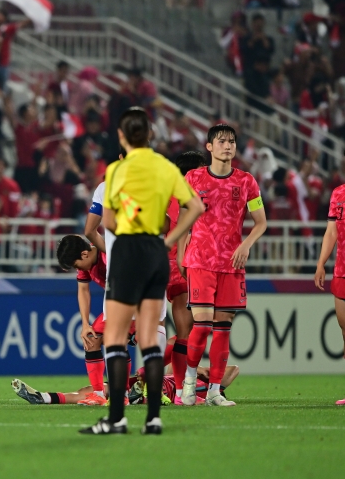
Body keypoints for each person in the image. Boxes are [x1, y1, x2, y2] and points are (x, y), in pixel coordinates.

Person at [80, 107, 204, 436]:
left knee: (118, 339)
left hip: (126, 253)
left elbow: (107, 221)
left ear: (122, 136)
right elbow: (195, 207)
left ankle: (117, 418)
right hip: (155, 252)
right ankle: (153, 418)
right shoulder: (165, 168)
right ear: (149, 135)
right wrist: (171, 240)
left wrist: (129, 221)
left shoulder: (118, 170)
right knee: (151, 339)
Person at [180, 125, 267, 407]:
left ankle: (214, 391)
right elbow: (184, 219)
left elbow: (261, 222)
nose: (227, 146)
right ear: (209, 147)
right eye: (221, 141)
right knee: (202, 326)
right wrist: (182, 255)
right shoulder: (192, 178)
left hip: (231, 263)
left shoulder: (246, 181)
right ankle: (190, 383)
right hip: (200, 260)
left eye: (231, 141)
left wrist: (246, 245)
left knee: (223, 328)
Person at [167, 151, 208, 405]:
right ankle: (182, 391)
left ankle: (138, 381)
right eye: (202, 170)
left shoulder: (163, 193)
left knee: (161, 331)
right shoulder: (187, 196)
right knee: (186, 331)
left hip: (157, 264)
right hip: (177, 265)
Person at [11, 364, 239, 406]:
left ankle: (137, 396)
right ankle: (43, 397)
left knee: (146, 383)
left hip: (162, 392)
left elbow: (234, 370)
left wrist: (200, 370)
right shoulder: (180, 374)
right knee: (94, 390)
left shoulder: (202, 386)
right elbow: (170, 367)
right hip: (144, 381)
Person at [56, 235, 108, 406]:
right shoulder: (86, 264)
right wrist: (85, 324)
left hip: (137, 300)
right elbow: (83, 291)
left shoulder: (107, 255)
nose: (77, 269)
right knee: (91, 340)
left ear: (85, 254)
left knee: (118, 341)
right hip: (117, 303)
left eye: (76, 265)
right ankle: (99, 394)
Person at [314, 182, 345, 406]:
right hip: (342, 270)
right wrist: (321, 263)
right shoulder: (338, 193)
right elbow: (332, 231)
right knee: (344, 328)